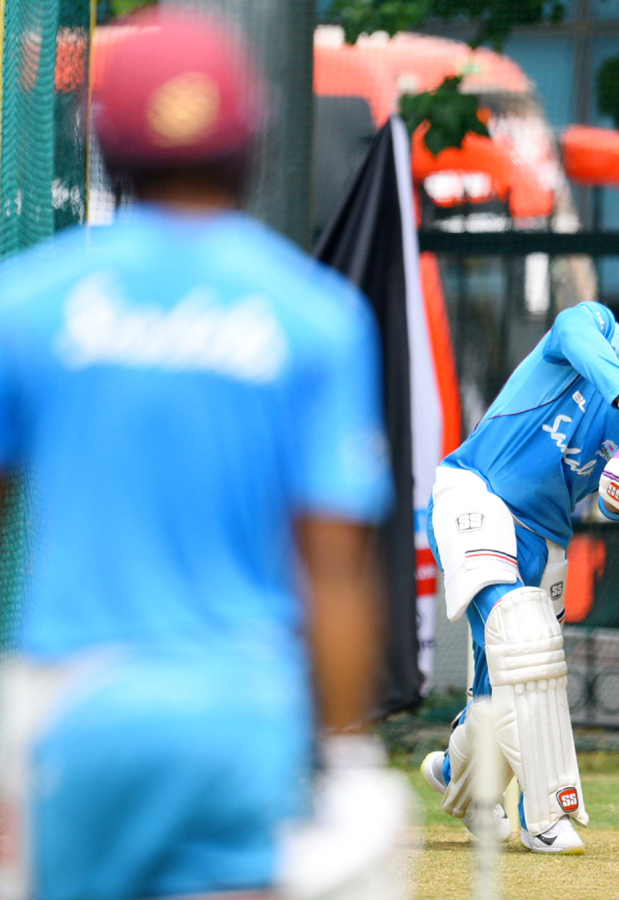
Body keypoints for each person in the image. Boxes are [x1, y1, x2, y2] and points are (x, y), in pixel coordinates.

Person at [0, 10, 406, 900]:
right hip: (239, 709)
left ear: (106, 145)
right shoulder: (314, 316)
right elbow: (334, 566)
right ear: (248, 146)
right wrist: (348, 758)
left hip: (72, 706)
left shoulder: (29, 303)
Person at [420, 281, 619, 854]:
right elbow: (571, 333)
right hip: (476, 494)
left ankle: (459, 775)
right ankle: (546, 815)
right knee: (523, 637)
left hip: (546, 541)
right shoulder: (593, 328)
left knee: (509, 684)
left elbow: (611, 503)